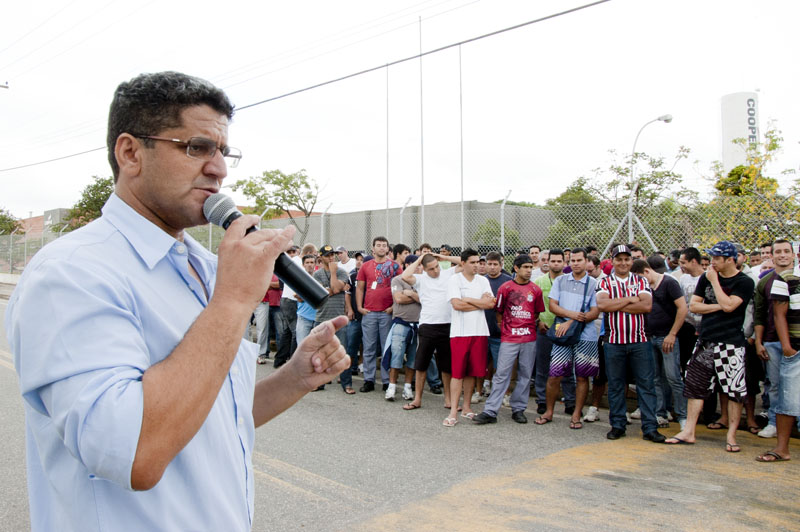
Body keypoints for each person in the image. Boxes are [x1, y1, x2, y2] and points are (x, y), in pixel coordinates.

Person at [4, 71, 350, 531]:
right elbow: (135, 453)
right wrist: (230, 303)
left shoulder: (208, 268)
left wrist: (294, 378)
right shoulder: (72, 274)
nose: (219, 169)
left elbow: (213, 415)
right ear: (130, 153)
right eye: (196, 147)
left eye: (223, 151)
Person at [666, 241, 754, 450]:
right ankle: (689, 431)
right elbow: (694, 306)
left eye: (716, 258)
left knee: (733, 390)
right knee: (695, 384)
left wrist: (715, 285)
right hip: (706, 340)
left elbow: (731, 306)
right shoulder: (706, 276)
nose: (712, 262)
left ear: (730, 260)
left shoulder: (744, 281)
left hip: (731, 342)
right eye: (711, 257)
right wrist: (721, 306)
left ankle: (731, 436)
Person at [596, 245, 665, 443]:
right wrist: (629, 299)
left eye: (627, 259)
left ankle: (650, 427)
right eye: (619, 259)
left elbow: (646, 306)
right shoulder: (605, 281)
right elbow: (603, 305)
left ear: (631, 261)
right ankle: (617, 425)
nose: (623, 263)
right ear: (613, 261)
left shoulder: (641, 280)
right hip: (613, 342)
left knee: (646, 384)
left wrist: (617, 303)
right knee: (616, 385)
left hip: (640, 341)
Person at [473, 255, 544, 425]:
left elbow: (536, 312)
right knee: (502, 373)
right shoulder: (506, 288)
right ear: (516, 268)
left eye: (530, 267)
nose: (528, 270)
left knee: (525, 374)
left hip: (529, 338)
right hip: (509, 338)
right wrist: (503, 326)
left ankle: (518, 409)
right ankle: (491, 411)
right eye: (525, 267)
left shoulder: (535, 290)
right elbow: (499, 311)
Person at [537, 248, 599, 428]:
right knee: (554, 374)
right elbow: (553, 306)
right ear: (568, 262)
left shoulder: (594, 284)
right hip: (561, 334)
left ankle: (576, 414)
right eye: (572, 260)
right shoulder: (561, 281)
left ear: (586, 261)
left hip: (586, 336)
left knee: (582, 377)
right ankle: (549, 411)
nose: (575, 263)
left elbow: (595, 312)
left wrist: (570, 321)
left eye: (579, 260)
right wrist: (572, 315)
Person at [631, 256, 688, 429]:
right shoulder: (644, 287)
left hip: (667, 336)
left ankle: (683, 415)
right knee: (654, 378)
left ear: (646, 271)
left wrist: (672, 334)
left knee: (673, 377)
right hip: (649, 336)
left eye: (640, 278)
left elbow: (682, 308)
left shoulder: (669, 283)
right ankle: (659, 412)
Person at [401, 252, 461, 410]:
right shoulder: (420, 279)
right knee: (421, 364)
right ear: (425, 269)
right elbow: (405, 276)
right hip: (427, 325)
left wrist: (444, 258)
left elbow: (464, 263)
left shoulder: (448, 274)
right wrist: (420, 259)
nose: (436, 270)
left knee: (446, 366)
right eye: (432, 268)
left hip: (447, 324)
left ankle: (448, 399)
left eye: (437, 266)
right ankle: (417, 399)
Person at [444, 249, 495, 426]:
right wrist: (478, 302)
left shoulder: (483, 281)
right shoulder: (454, 280)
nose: (477, 265)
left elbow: (490, 304)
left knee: (473, 372)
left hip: (479, 332)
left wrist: (469, 299)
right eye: (472, 262)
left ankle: (466, 407)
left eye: (478, 262)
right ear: (463, 263)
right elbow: (456, 304)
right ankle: (453, 413)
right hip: (460, 333)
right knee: (457, 373)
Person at [755, 263, 800, 462]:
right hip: (795, 349)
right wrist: (788, 348)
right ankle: (782, 449)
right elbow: (778, 315)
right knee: (787, 400)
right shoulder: (787, 279)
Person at [753, 239, 795, 438]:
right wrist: (759, 342)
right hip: (772, 340)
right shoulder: (764, 281)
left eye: (787, 251)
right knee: (774, 384)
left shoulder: (797, 278)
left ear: (794, 254)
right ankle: (773, 422)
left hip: (796, 340)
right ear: (772, 255)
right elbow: (759, 315)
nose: (783, 255)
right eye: (778, 251)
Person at [533, 250, 576, 415]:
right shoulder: (538, 282)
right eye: (553, 261)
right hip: (544, 329)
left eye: (560, 261)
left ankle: (570, 401)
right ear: (548, 262)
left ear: (565, 263)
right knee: (542, 367)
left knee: (565, 368)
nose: (556, 264)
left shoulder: (570, 282)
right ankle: (542, 401)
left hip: (564, 330)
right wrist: (539, 322)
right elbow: (533, 308)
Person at [356, 236, 400, 392]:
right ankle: (369, 379)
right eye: (379, 245)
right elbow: (360, 288)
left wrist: (394, 306)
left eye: (384, 245)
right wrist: (360, 307)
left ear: (388, 249)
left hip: (387, 312)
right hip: (369, 312)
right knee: (369, 348)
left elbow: (399, 288)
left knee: (387, 347)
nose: (382, 248)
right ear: (373, 248)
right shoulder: (365, 266)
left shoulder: (395, 267)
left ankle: (387, 381)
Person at [314, 245, 355, 394]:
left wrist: (333, 274)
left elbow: (335, 289)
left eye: (332, 255)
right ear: (321, 258)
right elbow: (323, 293)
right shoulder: (317, 275)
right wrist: (333, 289)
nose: (331, 258)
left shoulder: (341, 272)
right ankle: (320, 383)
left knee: (343, 352)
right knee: (320, 353)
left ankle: (347, 383)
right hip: (322, 318)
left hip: (339, 319)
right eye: (327, 256)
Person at [384, 254, 421, 401]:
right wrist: (417, 296)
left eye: (419, 265)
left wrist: (411, 293)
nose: (418, 268)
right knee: (397, 354)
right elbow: (398, 298)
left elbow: (426, 299)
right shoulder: (397, 279)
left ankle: (407, 388)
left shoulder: (423, 281)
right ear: (407, 266)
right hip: (401, 322)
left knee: (413, 357)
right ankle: (391, 387)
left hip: (418, 323)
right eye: (415, 265)